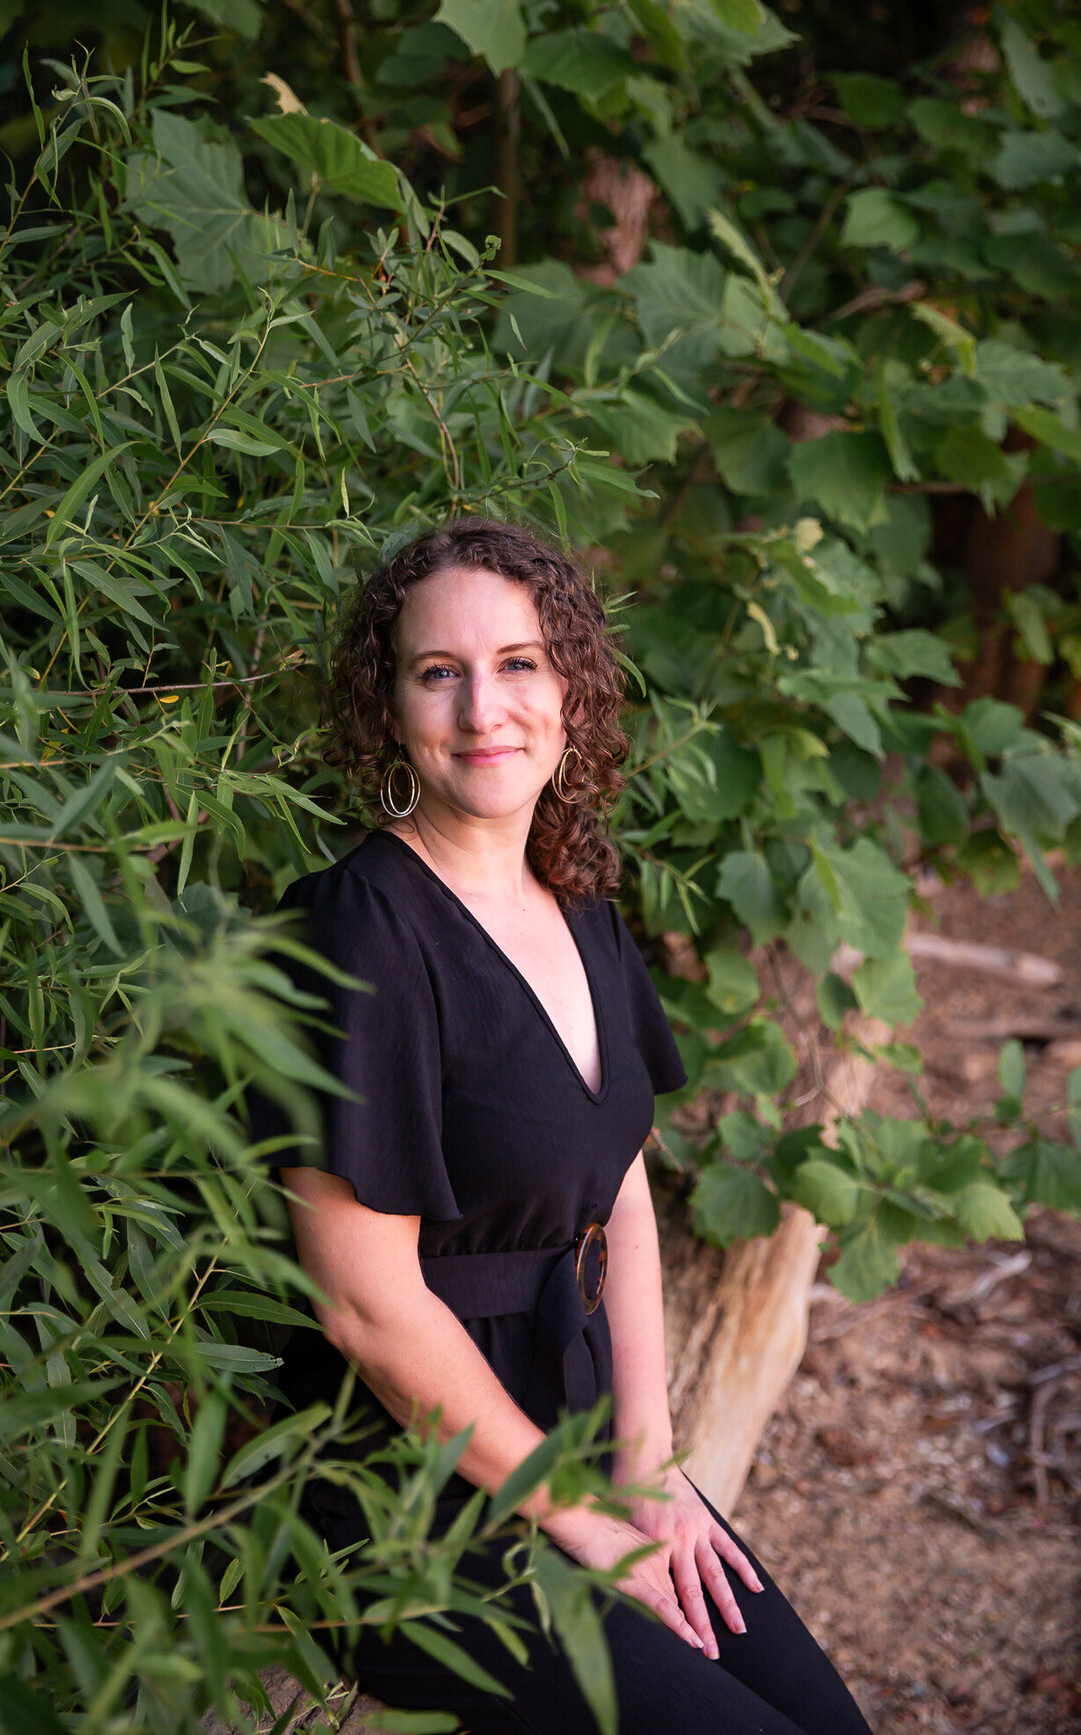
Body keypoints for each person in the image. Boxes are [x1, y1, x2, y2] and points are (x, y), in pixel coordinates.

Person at [252, 517, 873, 1734]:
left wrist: (646, 1461)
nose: (486, 705)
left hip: (581, 1438)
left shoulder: (574, 901)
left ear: (571, 691)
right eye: (441, 672)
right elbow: (365, 1306)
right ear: (390, 709)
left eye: (520, 663)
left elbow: (618, 1185)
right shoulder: (356, 931)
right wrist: (587, 1523)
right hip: (411, 1505)